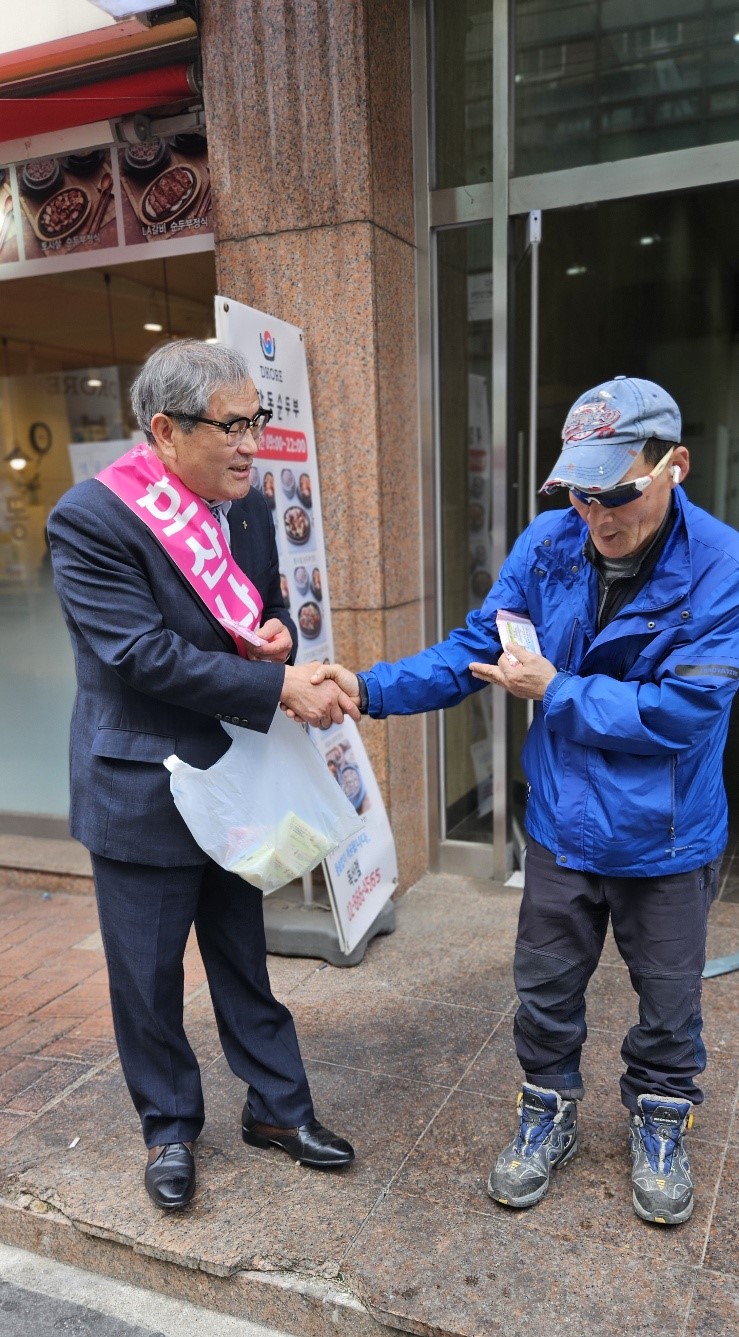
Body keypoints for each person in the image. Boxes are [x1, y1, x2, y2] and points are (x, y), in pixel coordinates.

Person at [310, 376, 739, 1225]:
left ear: (675, 467)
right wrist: (368, 687)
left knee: (668, 1002)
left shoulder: (721, 564)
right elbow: (476, 648)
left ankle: (659, 1119)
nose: (598, 516)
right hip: (561, 824)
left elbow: (683, 712)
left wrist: (556, 687)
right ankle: (547, 1111)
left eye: (617, 492)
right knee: (543, 990)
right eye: (581, 493)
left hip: (666, 834)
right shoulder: (548, 544)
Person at [47, 339, 359, 1212]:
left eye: (256, 421)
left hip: (234, 770)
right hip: (141, 783)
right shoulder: (92, 519)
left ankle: (278, 1108)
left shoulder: (248, 506)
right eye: (232, 427)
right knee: (147, 979)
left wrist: (276, 636)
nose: (252, 445)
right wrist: (278, 685)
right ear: (164, 430)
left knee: (242, 955)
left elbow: (263, 606)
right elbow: (140, 654)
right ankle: (170, 1128)